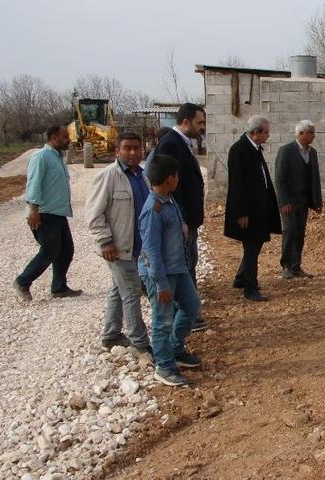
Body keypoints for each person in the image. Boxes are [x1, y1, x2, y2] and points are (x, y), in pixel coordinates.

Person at [138, 154, 202, 387]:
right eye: (176, 176)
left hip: (178, 268)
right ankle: (164, 366)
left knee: (192, 306)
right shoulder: (153, 209)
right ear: (169, 179)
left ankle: (175, 350)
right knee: (162, 320)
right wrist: (160, 283)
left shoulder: (168, 200)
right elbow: (151, 250)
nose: (178, 180)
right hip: (161, 274)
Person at [86, 132, 152, 355]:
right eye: (127, 148)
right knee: (132, 292)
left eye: (136, 148)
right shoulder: (108, 176)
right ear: (118, 151)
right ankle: (140, 343)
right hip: (116, 248)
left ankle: (111, 334)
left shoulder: (142, 177)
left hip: (135, 247)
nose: (133, 153)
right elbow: (94, 215)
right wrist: (105, 242)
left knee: (118, 289)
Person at [12, 125, 82, 302]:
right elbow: (33, 184)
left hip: (58, 213)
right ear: (53, 137)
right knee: (49, 251)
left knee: (66, 250)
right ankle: (23, 281)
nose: (69, 140)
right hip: (44, 213)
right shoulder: (41, 156)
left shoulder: (58, 157)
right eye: (65, 137)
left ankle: (59, 287)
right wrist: (33, 210)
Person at [155, 103, 208, 331]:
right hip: (181, 221)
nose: (202, 128)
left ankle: (189, 313)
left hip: (186, 220)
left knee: (189, 263)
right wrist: (181, 219)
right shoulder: (171, 144)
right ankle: (184, 316)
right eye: (200, 123)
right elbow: (168, 188)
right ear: (185, 121)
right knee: (183, 266)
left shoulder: (182, 143)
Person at [224, 115, 281, 301]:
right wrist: (241, 212)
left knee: (254, 247)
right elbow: (237, 184)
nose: (268, 135)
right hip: (248, 212)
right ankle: (250, 288)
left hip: (259, 209)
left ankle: (241, 278)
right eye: (266, 132)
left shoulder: (254, 149)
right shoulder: (239, 150)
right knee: (251, 248)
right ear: (256, 132)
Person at [275, 120, 323, 280]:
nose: (313, 136)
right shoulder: (286, 151)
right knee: (289, 231)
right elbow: (280, 179)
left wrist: (317, 202)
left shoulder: (312, 153)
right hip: (289, 202)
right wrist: (283, 202)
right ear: (301, 134)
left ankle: (296, 266)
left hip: (303, 201)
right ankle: (286, 266)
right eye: (311, 133)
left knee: (300, 233)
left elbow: (315, 178)